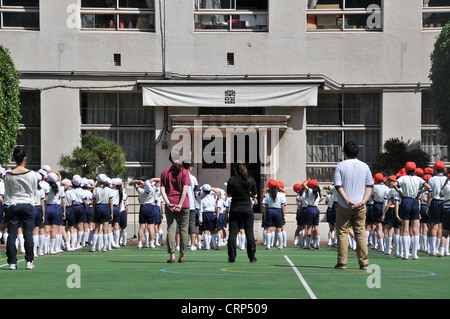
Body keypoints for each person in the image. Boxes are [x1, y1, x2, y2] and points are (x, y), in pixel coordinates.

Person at [333, 141, 374, 270]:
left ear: (344, 152)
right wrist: (364, 201)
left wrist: (346, 200)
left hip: (344, 204)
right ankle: (364, 262)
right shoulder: (364, 166)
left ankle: (342, 262)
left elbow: (338, 185)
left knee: (342, 232)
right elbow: (370, 185)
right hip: (360, 205)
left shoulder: (340, 165)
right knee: (360, 233)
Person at [4, 146, 37, 270]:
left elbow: (8, 191)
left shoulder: (9, 174)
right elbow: (33, 190)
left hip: (14, 204)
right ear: (25, 158)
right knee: (28, 233)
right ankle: (29, 261)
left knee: (12, 234)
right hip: (28, 204)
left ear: (14, 158)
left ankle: (12, 262)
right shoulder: (32, 174)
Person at [393, 161, 430, 260]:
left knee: (405, 230)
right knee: (415, 230)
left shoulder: (403, 178)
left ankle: (405, 254)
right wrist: (420, 192)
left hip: (405, 201)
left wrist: (399, 192)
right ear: (415, 170)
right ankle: (414, 254)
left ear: (405, 169)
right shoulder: (418, 179)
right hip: (414, 201)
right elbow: (428, 187)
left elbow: (393, 184)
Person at [160, 158, 191, 263]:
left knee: (171, 229)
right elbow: (185, 189)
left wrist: (168, 203)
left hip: (170, 203)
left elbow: (162, 190)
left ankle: (172, 255)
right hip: (184, 204)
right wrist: (180, 204)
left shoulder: (165, 172)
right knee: (183, 230)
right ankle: (182, 255)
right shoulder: (185, 172)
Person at [226, 163, 257, 263]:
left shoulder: (232, 180)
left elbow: (229, 194)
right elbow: (255, 194)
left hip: (235, 208)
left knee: (232, 232)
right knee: (249, 232)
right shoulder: (251, 180)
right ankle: (252, 256)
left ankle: (232, 256)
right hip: (247, 208)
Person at [262, 179, 286, 250]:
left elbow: (265, 207)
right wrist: (284, 215)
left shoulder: (267, 195)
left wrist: (265, 215)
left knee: (269, 229)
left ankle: (268, 245)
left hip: (270, 211)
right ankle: (280, 245)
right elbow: (283, 206)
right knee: (279, 229)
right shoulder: (281, 195)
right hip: (278, 211)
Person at [182, 160, 199, 251]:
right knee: (192, 224)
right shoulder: (192, 178)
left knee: (181, 225)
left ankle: (179, 245)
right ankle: (192, 245)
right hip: (191, 204)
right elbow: (196, 190)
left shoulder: (179, 176)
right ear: (190, 167)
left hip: (181, 203)